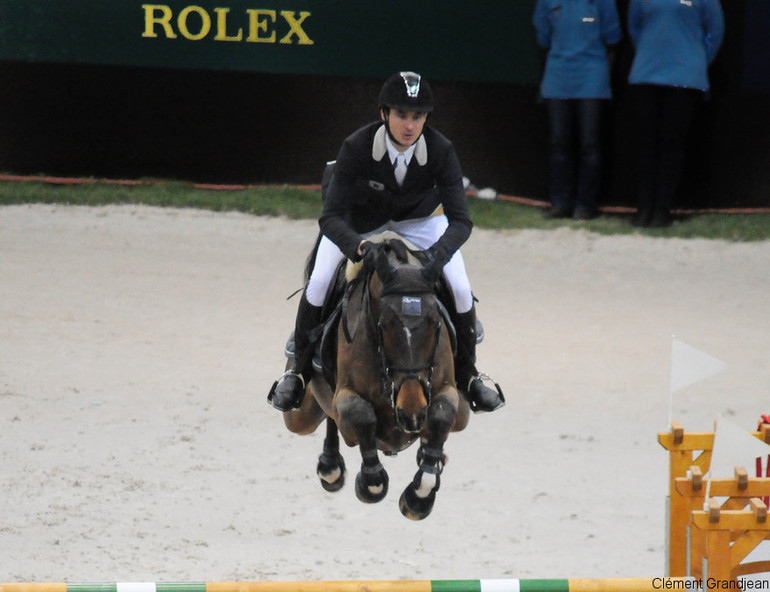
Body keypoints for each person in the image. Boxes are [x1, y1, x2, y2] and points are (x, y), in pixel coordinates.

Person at [268, 71, 505, 415]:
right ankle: (298, 373)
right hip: (360, 220)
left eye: (418, 116)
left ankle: (469, 376)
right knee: (319, 282)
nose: (409, 125)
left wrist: (438, 256)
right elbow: (330, 217)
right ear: (384, 114)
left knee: (460, 286)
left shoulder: (441, 149)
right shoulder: (356, 146)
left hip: (421, 221)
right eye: (401, 115)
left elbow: (462, 220)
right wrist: (360, 248)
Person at [627, 0, 725, 228]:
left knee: (672, 143)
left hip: (684, 77)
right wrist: (649, 53)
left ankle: (662, 208)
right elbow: (634, 28)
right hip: (646, 75)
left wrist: (696, 60)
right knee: (646, 143)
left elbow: (715, 32)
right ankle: (644, 208)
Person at [533, 0, 622, 220]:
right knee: (559, 143)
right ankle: (560, 203)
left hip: (592, 78)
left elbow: (613, 36)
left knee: (589, 144)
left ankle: (585, 205)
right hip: (557, 77)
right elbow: (542, 35)